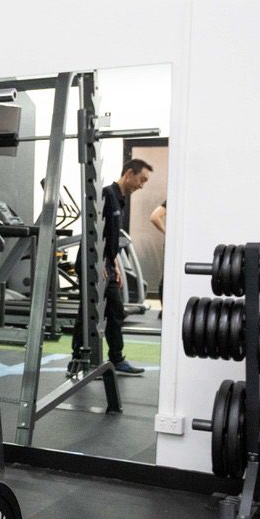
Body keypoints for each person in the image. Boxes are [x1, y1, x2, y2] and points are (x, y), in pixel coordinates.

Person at [71, 158, 153, 375]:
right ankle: (78, 360)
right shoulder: (107, 194)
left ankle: (115, 359)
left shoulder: (121, 200)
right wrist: (96, 262)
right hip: (92, 261)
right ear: (129, 173)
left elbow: (110, 236)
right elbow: (92, 230)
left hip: (105, 262)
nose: (142, 185)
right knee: (89, 311)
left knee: (114, 310)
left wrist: (114, 263)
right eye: (141, 179)